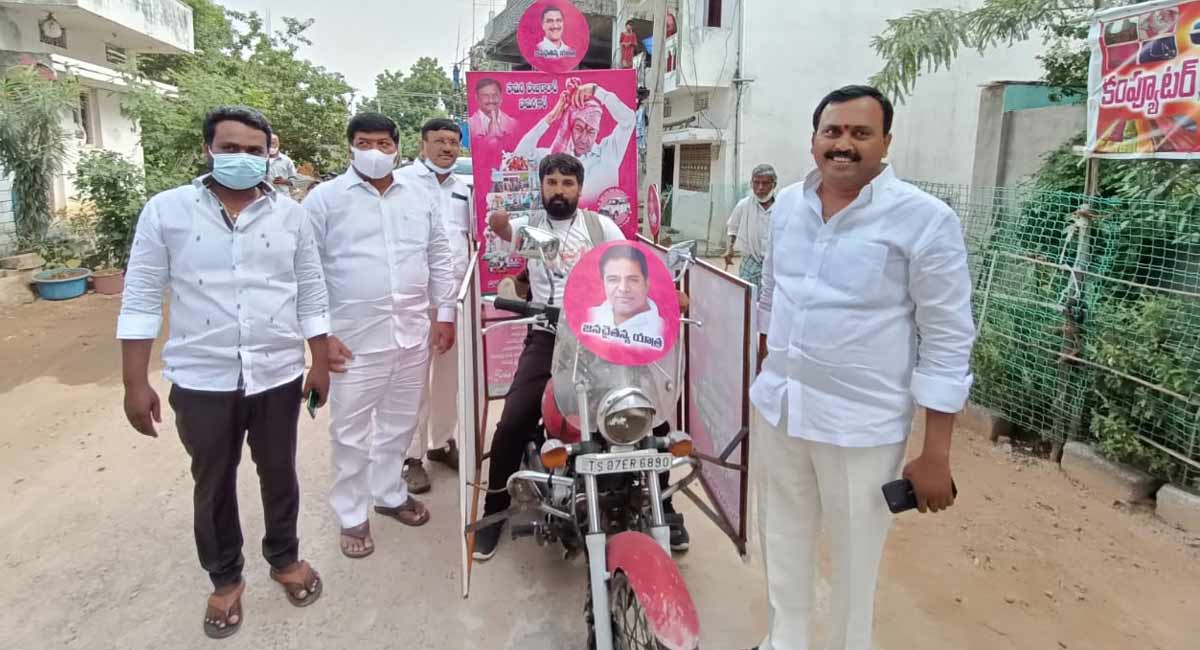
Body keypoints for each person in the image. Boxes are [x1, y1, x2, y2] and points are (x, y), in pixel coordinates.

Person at [748, 85, 975, 650]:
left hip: (861, 426)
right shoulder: (788, 210)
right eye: (833, 132)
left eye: (859, 133)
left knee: (854, 565)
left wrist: (936, 452)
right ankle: (785, 642)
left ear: (885, 142)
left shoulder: (924, 220)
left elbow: (947, 335)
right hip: (781, 410)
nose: (843, 145)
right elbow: (773, 295)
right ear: (815, 139)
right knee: (781, 541)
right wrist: (761, 371)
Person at [118, 106, 328, 639]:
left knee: (279, 470)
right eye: (230, 148)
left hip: (277, 372)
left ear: (269, 153)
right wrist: (134, 381)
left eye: (254, 151)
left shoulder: (291, 216)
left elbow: (311, 291)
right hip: (201, 376)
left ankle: (284, 558)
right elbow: (141, 294)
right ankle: (226, 578)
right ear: (208, 149)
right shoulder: (167, 211)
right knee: (212, 481)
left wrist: (320, 360)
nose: (243, 159)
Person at [303, 112, 458, 560]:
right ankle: (351, 512)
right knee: (350, 431)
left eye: (383, 144)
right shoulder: (324, 201)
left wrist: (444, 314)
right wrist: (320, 335)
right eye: (364, 143)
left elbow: (439, 256)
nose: (375, 152)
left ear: (397, 146)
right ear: (349, 146)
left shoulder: (419, 195)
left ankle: (388, 493)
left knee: (399, 422)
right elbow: (304, 271)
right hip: (352, 340)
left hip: (411, 333)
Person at [397, 118, 474, 494]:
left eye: (453, 142)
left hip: (454, 299)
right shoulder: (401, 183)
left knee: (450, 378)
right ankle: (410, 457)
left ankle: (442, 443)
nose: (447, 147)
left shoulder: (465, 188)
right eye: (439, 141)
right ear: (422, 143)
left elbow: (472, 239)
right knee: (413, 380)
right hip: (412, 299)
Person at [513, 80, 636, 206]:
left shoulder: (609, 153)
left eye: (591, 131)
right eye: (579, 128)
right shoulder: (553, 157)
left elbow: (629, 120)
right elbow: (519, 157)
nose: (583, 138)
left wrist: (596, 91)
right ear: (570, 127)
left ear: (598, 131)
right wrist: (551, 118)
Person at [585, 244, 665, 349]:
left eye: (633, 279)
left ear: (647, 283)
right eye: (613, 279)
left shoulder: (661, 329)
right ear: (603, 283)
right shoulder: (589, 317)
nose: (623, 288)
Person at [724, 164, 777, 286]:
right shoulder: (744, 205)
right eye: (756, 183)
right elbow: (733, 228)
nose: (760, 187)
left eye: (765, 183)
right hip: (751, 259)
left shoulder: (782, 206)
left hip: (775, 261)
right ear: (751, 183)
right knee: (748, 298)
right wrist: (730, 249)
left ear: (773, 184)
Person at [468, 78, 518, 142]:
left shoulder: (513, 124)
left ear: (501, 97)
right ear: (477, 98)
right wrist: (489, 136)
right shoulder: (469, 125)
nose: (491, 100)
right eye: (485, 96)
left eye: (495, 95)